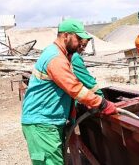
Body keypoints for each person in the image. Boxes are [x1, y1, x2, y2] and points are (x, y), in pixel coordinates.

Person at [21, 19, 116, 165]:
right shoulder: (56, 58)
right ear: (66, 36)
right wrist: (102, 103)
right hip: (42, 124)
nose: (80, 43)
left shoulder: (61, 55)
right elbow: (74, 88)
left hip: (48, 122)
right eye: (78, 38)